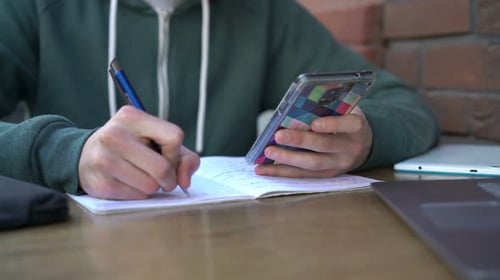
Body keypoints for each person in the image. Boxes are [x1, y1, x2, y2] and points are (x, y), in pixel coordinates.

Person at [0, 0, 440, 200]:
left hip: (230, 246)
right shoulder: (32, 8)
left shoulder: (266, 13)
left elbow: (406, 106)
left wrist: (365, 138)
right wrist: (66, 153)